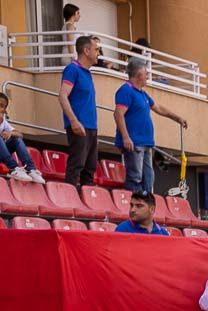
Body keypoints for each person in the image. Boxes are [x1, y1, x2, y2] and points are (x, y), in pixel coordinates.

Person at [114, 58, 187, 194]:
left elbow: (158, 107)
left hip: (146, 143)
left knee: (148, 178)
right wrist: (125, 137)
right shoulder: (126, 91)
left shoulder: (142, 93)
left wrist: (177, 118)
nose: (148, 76)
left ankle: (147, 205)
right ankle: (136, 205)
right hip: (134, 142)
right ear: (139, 75)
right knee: (135, 177)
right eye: (146, 73)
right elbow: (118, 114)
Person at [59, 35, 100, 188]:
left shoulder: (87, 73)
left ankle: (86, 205)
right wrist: (74, 121)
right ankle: (70, 199)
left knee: (90, 168)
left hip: (91, 126)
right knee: (77, 165)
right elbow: (63, 95)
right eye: (96, 49)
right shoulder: (72, 69)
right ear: (86, 50)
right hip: (79, 126)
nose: (98, 53)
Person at [0, 92, 45, 183]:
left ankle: (31, 169)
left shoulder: (4, 121)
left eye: (1, 106)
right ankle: (13, 168)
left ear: (4, 110)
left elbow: (20, 134)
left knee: (16, 139)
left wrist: (10, 133)